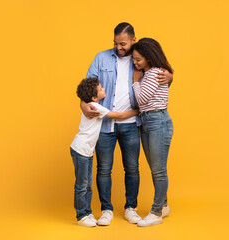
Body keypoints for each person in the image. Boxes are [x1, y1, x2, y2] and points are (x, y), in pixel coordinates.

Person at [81, 22, 173, 226]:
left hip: (133, 123)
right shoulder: (101, 57)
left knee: (132, 168)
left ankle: (130, 208)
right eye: (115, 43)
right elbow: (87, 84)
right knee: (104, 168)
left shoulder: (140, 59)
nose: (118, 47)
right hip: (105, 124)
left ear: (133, 40)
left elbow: (157, 75)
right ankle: (106, 210)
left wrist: (171, 76)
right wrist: (82, 102)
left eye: (122, 43)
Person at [71, 77, 139, 227]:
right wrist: (138, 110)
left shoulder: (94, 104)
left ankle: (87, 213)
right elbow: (119, 116)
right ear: (94, 97)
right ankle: (82, 216)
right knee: (82, 184)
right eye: (101, 89)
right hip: (81, 150)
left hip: (86, 151)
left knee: (87, 184)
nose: (104, 89)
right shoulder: (96, 106)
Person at [131, 38, 174, 227]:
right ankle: (163, 205)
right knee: (155, 169)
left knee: (159, 170)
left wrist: (135, 82)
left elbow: (142, 99)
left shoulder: (155, 72)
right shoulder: (149, 73)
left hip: (158, 122)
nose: (135, 63)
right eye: (134, 59)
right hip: (147, 121)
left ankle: (156, 212)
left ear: (148, 57)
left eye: (138, 59)